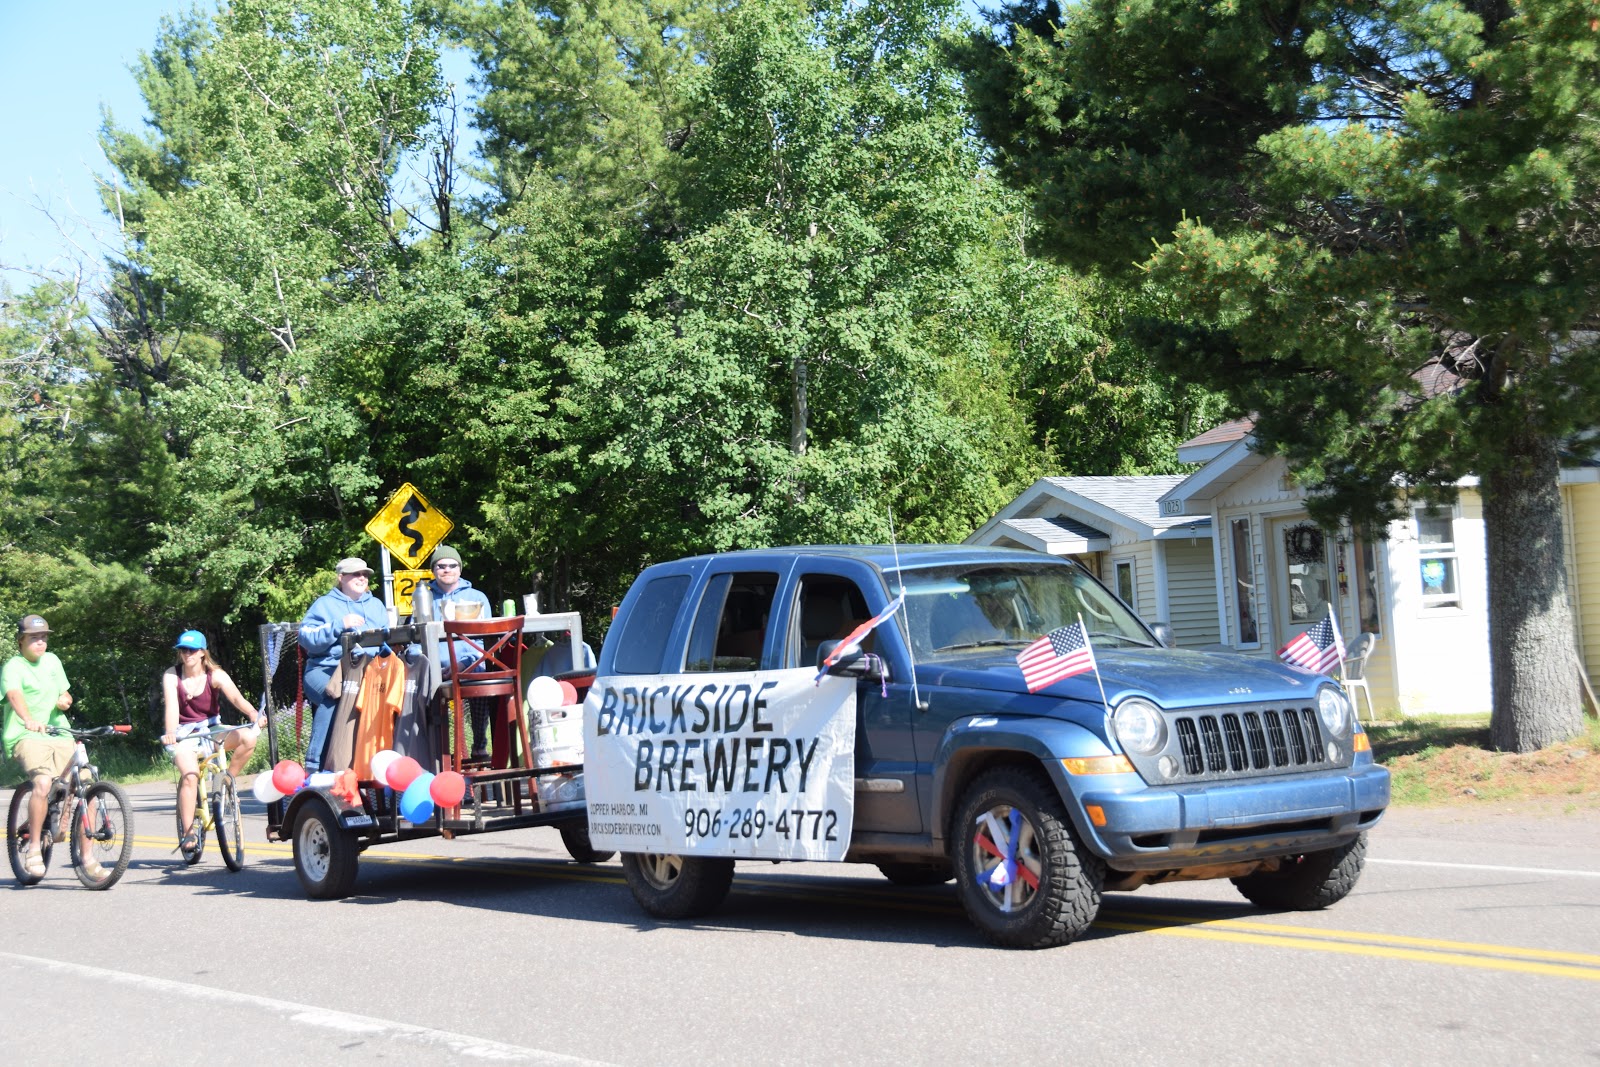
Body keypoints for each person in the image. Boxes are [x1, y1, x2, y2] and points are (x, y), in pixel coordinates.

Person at [160, 630, 263, 855]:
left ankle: (228, 783)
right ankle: (188, 832)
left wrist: (254, 714)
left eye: (191, 650)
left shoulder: (215, 674)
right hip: (184, 733)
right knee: (189, 776)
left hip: (211, 729)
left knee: (248, 737)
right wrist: (170, 732)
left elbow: (236, 698)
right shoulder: (172, 675)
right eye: (182, 650)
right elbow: (172, 708)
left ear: (202, 653)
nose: (186, 654)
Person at [2, 615, 85, 879]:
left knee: (85, 784)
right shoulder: (14, 666)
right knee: (42, 783)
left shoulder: (53, 661)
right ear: (21, 641)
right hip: (26, 735)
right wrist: (28, 719)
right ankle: (34, 848)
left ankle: (88, 856)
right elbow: (14, 695)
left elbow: (66, 693)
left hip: (58, 732)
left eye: (44, 638)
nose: (40, 643)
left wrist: (65, 699)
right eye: (34, 638)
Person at [299, 558, 389, 773]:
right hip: (325, 670)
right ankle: (314, 763)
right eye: (355, 574)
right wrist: (340, 625)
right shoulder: (324, 604)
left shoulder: (375, 606)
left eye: (365, 574)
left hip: (366, 672)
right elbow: (305, 637)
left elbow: (388, 640)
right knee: (336, 693)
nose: (361, 578)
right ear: (341, 578)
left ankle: (371, 763)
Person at [417, 545, 495, 761]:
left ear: (460, 569)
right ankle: (436, 752)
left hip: (470, 666)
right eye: (441, 566)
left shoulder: (477, 597)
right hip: (435, 670)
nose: (447, 570)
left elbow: (484, 641)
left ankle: (479, 745)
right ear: (433, 570)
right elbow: (415, 639)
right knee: (419, 686)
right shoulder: (424, 598)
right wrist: (428, 665)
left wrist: (462, 664)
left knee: (479, 679)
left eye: (452, 565)